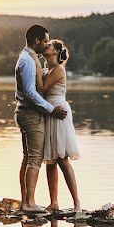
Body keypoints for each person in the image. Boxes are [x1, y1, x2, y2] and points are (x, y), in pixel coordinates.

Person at [14, 25, 67, 213]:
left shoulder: (29, 58)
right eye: (45, 41)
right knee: (34, 159)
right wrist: (51, 110)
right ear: (36, 40)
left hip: (24, 112)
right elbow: (30, 93)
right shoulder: (28, 61)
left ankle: (25, 202)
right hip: (30, 114)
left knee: (28, 158)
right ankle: (29, 203)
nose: (46, 45)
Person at [32, 39, 81, 213]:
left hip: (59, 112)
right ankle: (54, 202)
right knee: (50, 161)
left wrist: (36, 66)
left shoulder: (59, 69)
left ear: (56, 52)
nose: (47, 46)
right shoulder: (47, 69)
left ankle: (77, 204)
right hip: (49, 112)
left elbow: (43, 87)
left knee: (62, 159)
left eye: (50, 45)